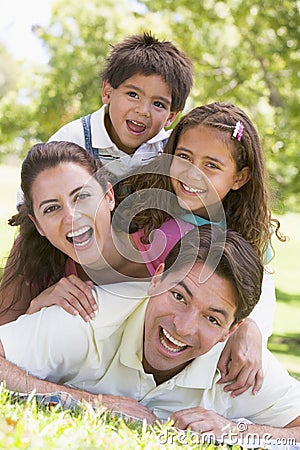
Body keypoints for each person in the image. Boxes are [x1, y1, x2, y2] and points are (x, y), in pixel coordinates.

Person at [0, 141, 270, 396]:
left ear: (108, 196)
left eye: (81, 196)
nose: (71, 217)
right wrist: (37, 308)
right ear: (38, 226)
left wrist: (250, 327)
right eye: (51, 208)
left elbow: (241, 279)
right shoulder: (41, 262)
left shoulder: (171, 241)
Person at [0, 226, 299, 441]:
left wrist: (237, 430)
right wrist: (91, 402)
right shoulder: (91, 315)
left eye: (211, 318)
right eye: (179, 297)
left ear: (230, 331)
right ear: (156, 280)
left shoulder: (239, 367)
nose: (183, 327)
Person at [48, 32, 193, 179]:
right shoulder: (71, 141)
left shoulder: (170, 149)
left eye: (158, 104)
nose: (143, 111)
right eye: (133, 95)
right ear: (107, 92)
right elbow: (30, 197)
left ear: (171, 117)